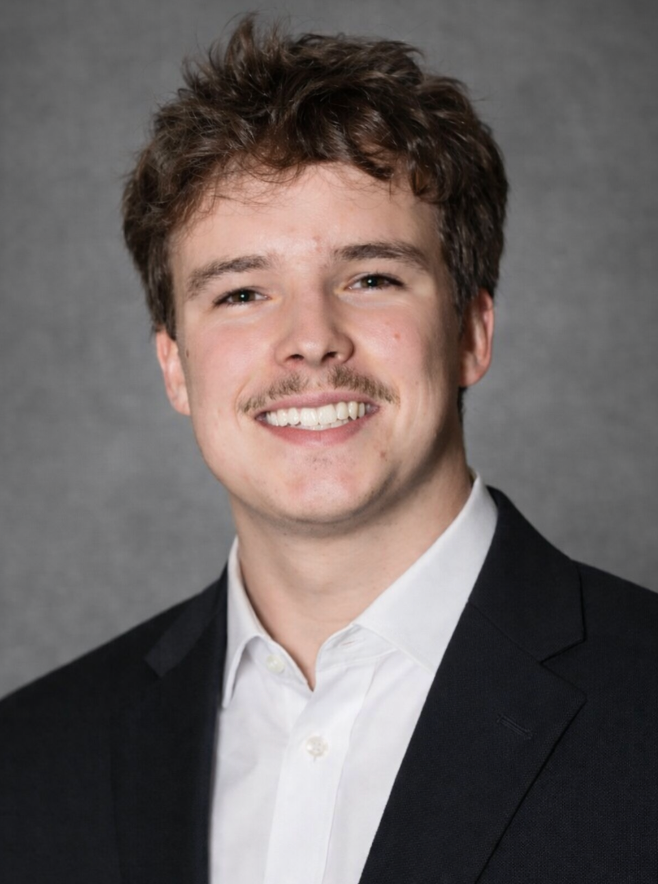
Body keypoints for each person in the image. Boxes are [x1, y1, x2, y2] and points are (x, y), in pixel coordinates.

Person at [1, 14, 656, 884]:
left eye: (371, 278)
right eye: (241, 293)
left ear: (470, 333)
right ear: (175, 368)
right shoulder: (29, 762)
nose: (311, 340)